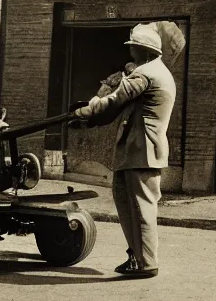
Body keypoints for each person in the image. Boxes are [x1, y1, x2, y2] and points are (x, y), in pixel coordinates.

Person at [75, 23, 176, 278]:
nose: (130, 53)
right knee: (126, 202)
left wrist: (85, 110)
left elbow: (114, 101)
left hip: (140, 151)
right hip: (138, 150)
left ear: (143, 51)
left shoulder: (145, 75)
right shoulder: (159, 72)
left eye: (133, 48)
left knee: (141, 208)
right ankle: (137, 256)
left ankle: (146, 263)